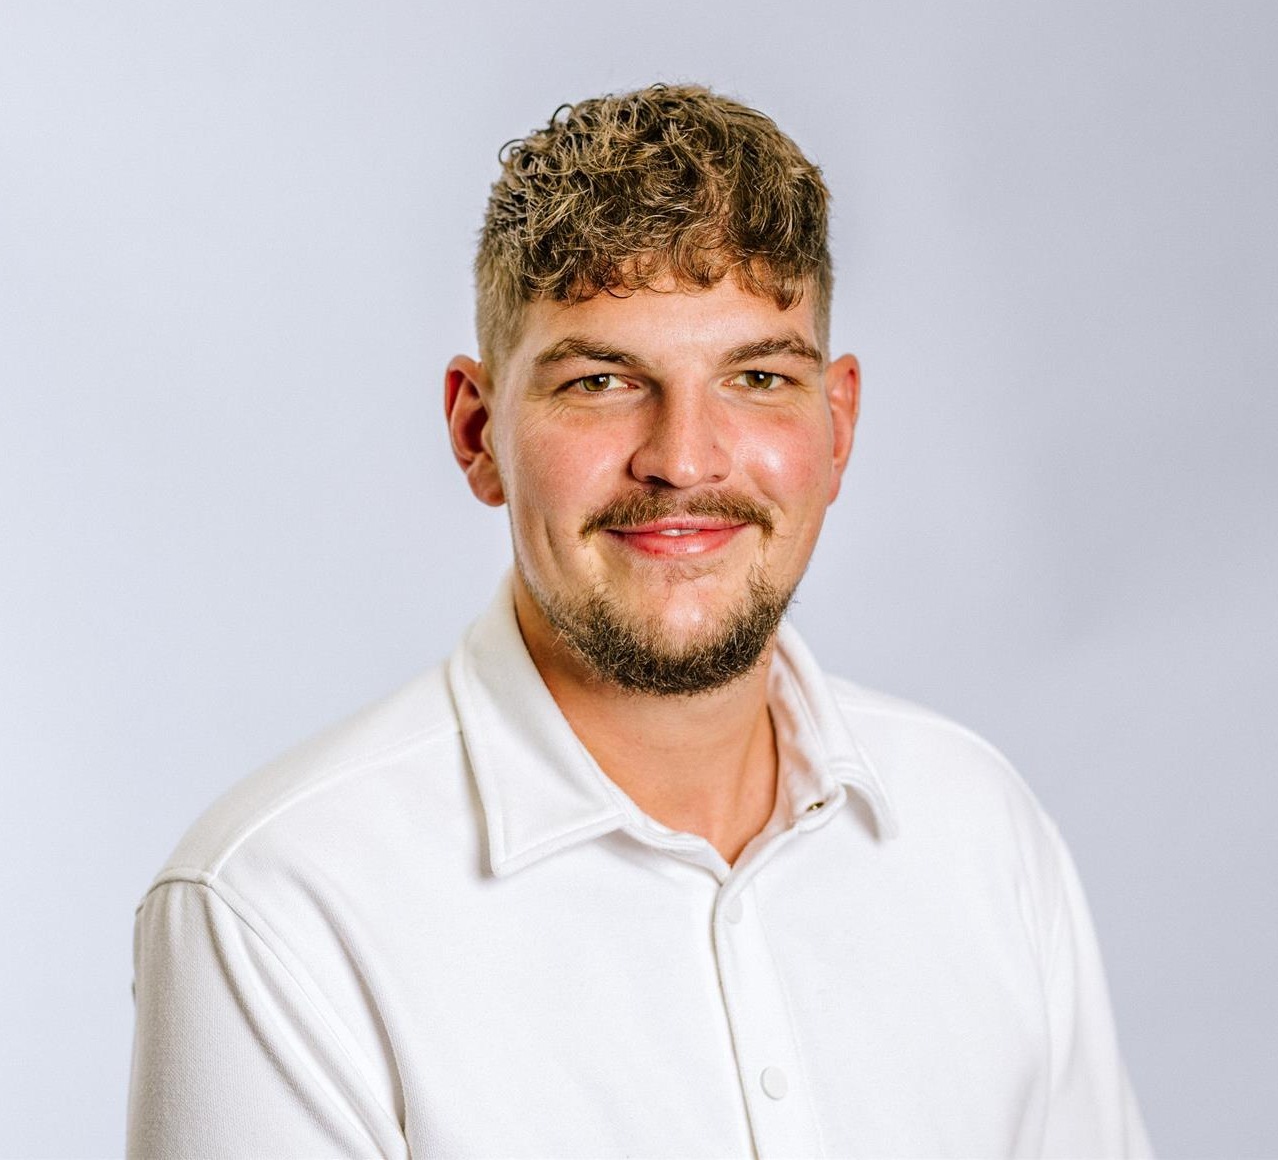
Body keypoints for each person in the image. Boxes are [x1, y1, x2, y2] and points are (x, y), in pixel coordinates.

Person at [126, 84, 1151, 1159]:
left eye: (758, 376)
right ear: (478, 433)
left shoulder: (980, 828)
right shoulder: (278, 907)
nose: (684, 458)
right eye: (603, 380)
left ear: (837, 426)